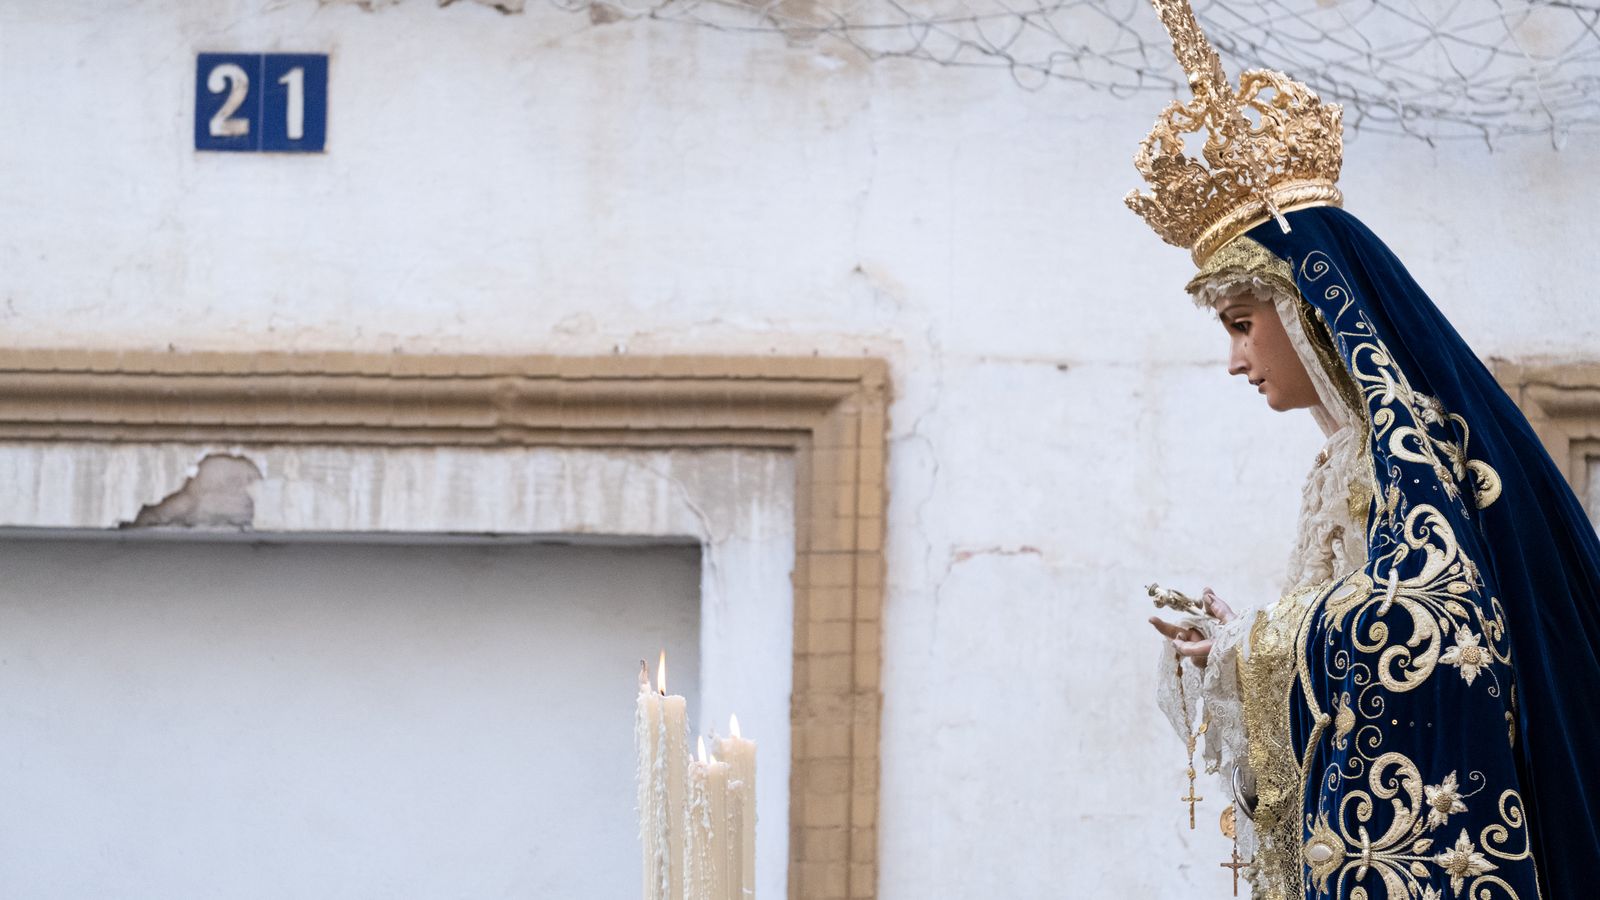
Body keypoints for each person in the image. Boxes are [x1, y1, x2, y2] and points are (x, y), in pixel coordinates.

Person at [1128, 2, 1600, 898]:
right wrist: (1241, 637)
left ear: (1307, 312)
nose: (1234, 361)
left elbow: (1432, 625)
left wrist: (1252, 648)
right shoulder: (1351, 457)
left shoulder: (1415, 450)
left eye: (1241, 325)